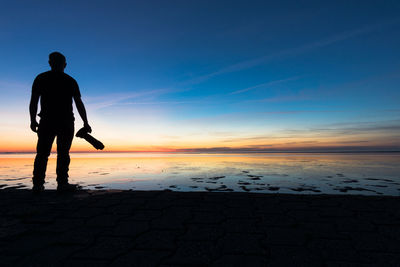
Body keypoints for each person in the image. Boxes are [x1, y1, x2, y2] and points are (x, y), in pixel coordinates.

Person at [29, 52, 91, 193]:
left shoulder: (46, 78)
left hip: (60, 121)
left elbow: (78, 102)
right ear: (64, 64)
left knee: (48, 153)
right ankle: (52, 184)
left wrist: (32, 120)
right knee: (53, 153)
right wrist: (85, 122)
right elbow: (34, 100)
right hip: (55, 121)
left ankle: (42, 185)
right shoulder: (65, 80)